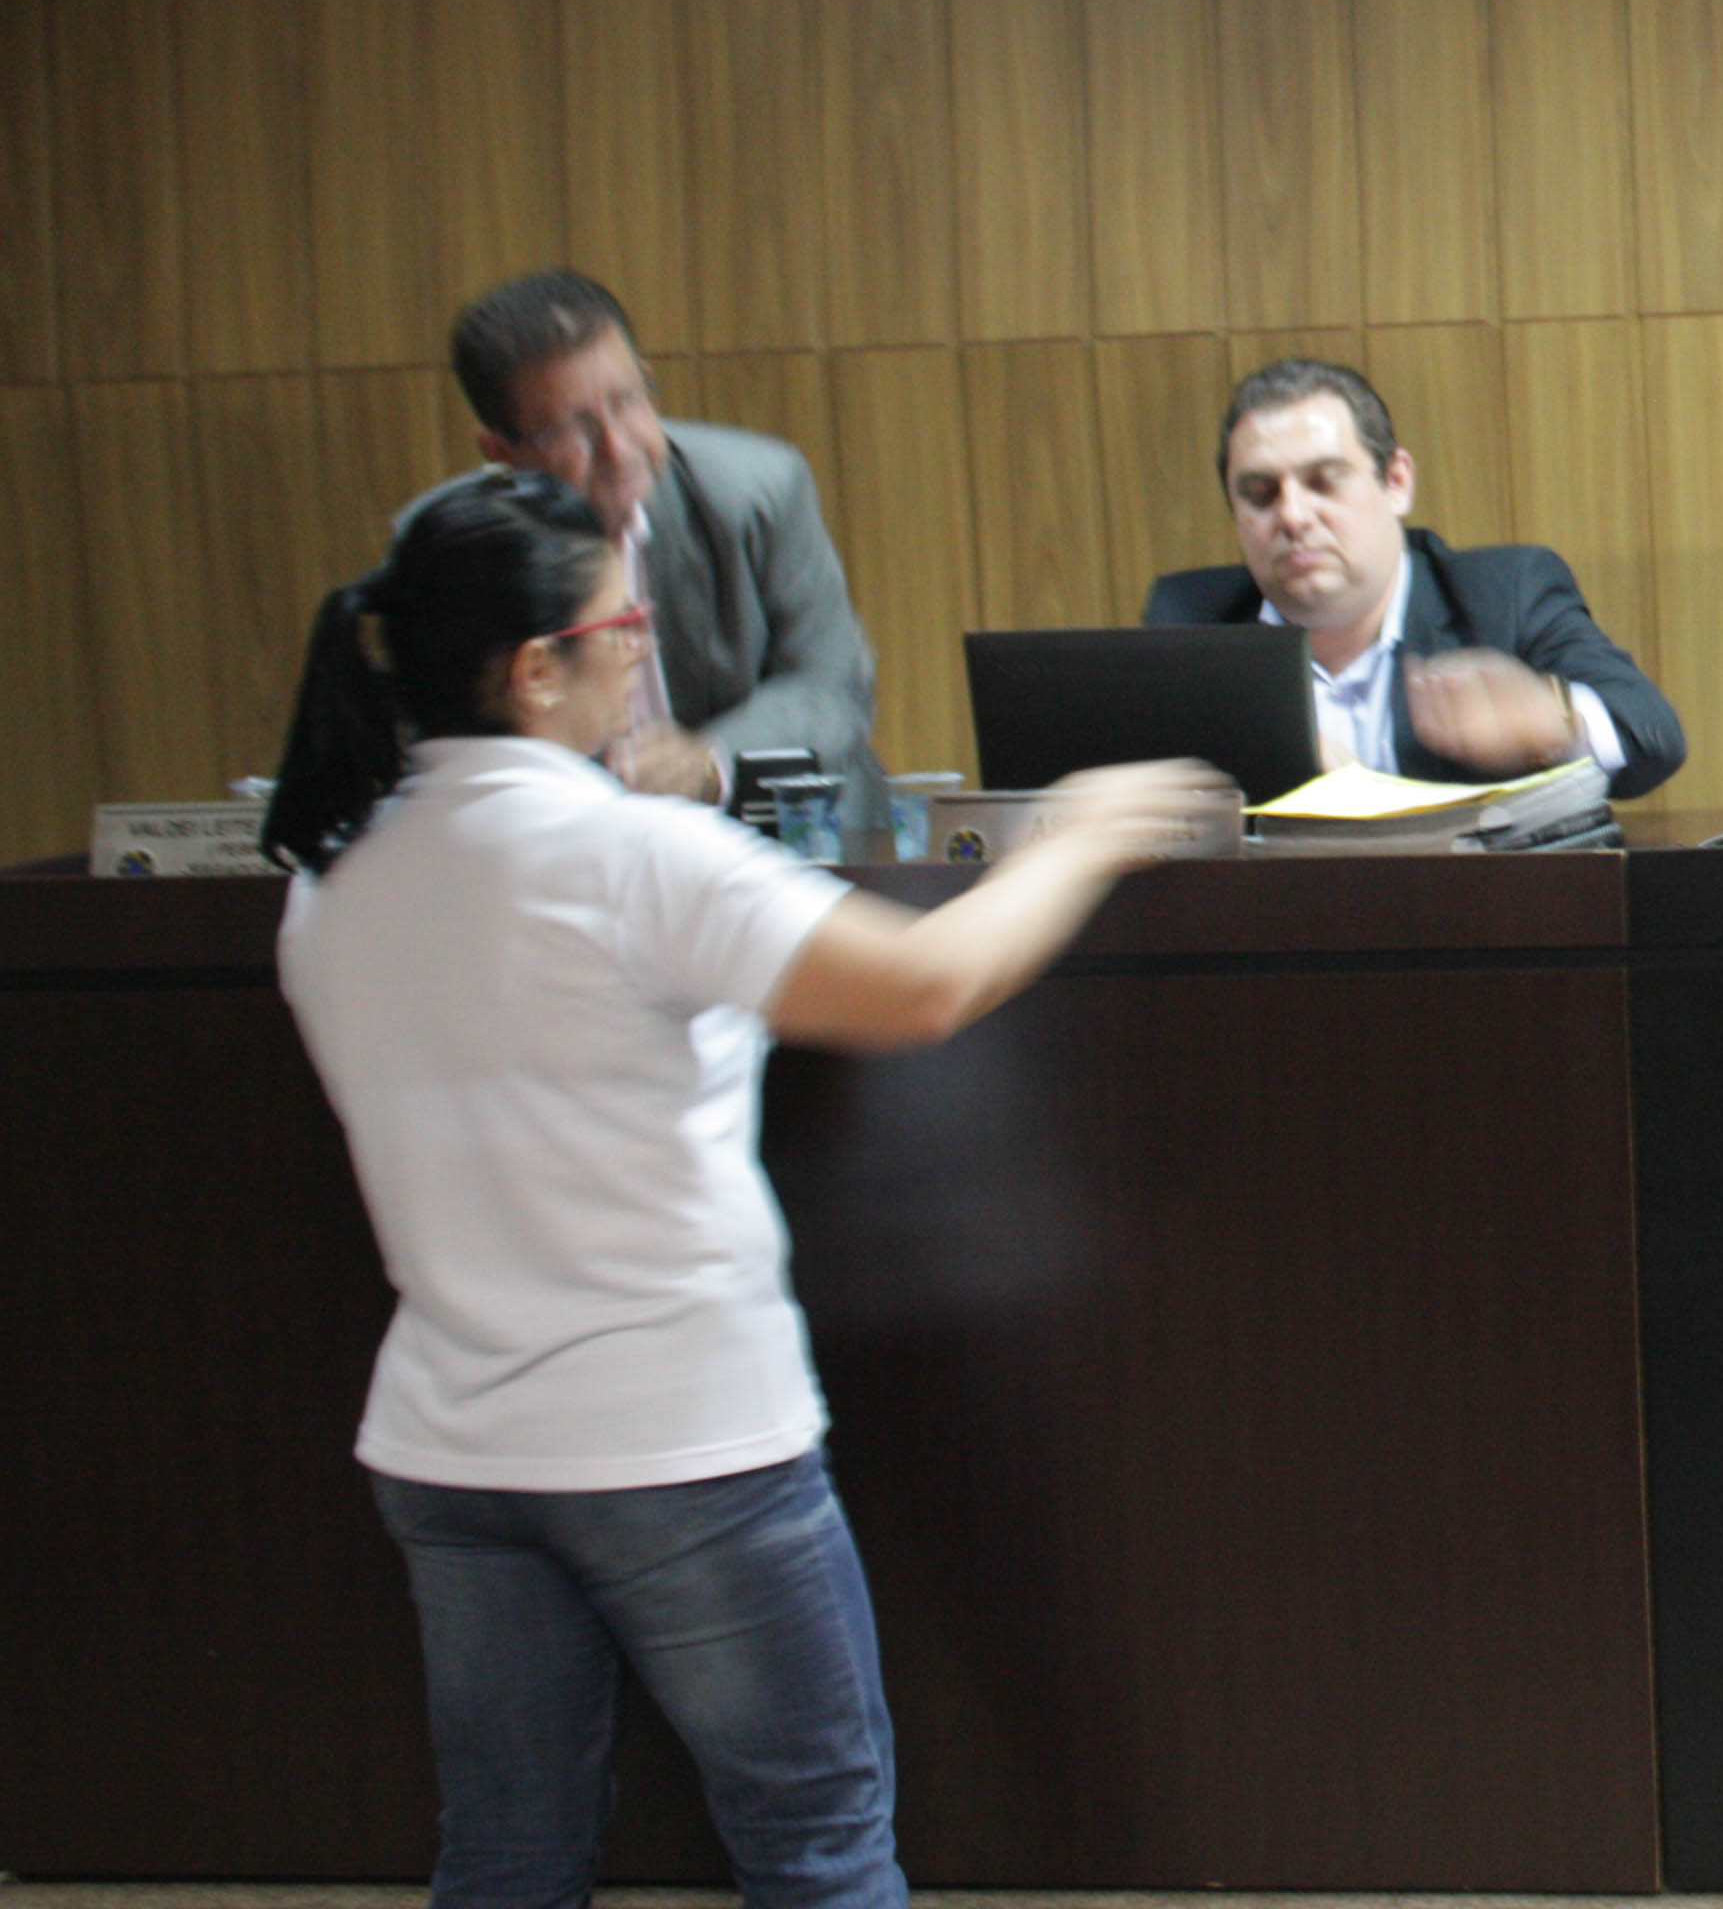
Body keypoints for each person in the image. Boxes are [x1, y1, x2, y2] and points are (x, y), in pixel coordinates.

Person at [263, 468, 1216, 1909]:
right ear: (535, 671)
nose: (643, 649)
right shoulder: (629, 855)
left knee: (506, 1856)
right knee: (819, 1850)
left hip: (453, 1451)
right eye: (621, 626)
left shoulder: (331, 880)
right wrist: (1076, 835)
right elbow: (927, 985)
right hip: (682, 1448)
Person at [1142, 358, 1685, 799]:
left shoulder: (1504, 595)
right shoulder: (1191, 625)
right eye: (1260, 495)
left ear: (1396, 481)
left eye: (1324, 482)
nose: (1293, 516)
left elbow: (1653, 737)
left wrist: (1558, 723)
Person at [449, 268, 881, 817]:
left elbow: (832, 689)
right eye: (574, 428)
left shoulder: (756, 493)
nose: (617, 448)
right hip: (576, 841)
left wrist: (710, 762)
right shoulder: (462, 552)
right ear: (500, 453)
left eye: (627, 401)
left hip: (784, 832)